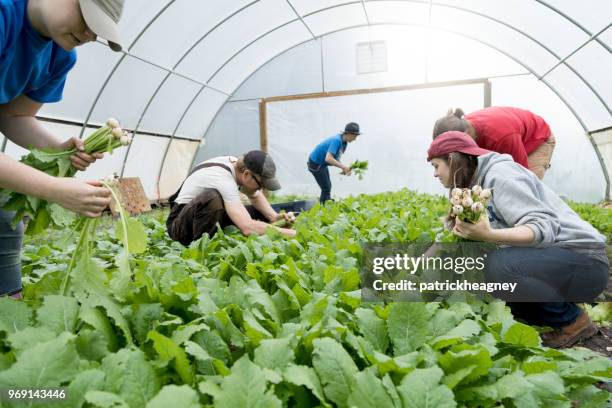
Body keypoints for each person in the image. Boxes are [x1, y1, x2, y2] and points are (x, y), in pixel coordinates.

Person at [427, 131, 608, 348]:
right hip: (556, 263)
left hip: (585, 261)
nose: (435, 174)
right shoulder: (469, 187)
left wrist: (489, 235)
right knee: (498, 292)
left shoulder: (500, 175)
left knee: (497, 266)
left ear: (453, 159)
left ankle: (573, 321)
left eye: (436, 166)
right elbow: (450, 237)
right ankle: (556, 309)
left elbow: (543, 228)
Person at [0, 0, 126, 298]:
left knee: (6, 216)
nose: (89, 36)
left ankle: (9, 316)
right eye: (88, 20)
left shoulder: (59, 56)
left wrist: (58, 149)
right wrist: (57, 189)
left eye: (98, 32)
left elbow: (12, 115)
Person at [166, 150, 298, 246]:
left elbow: (255, 197)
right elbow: (247, 227)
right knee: (213, 198)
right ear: (246, 174)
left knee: (257, 213)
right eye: (260, 185)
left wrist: (274, 217)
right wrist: (290, 234)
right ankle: (201, 247)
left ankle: (213, 238)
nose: (261, 190)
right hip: (180, 226)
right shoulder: (223, 180)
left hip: (196, 215)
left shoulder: (237, 166)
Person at [432, 107, 555, 179]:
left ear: (466, 134)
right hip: (514, 133)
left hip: (538, 138)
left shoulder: (501, 137)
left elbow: (522, 175)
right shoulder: (464, 127)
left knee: (526, 189)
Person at [307, 122, 361, 203]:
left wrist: (344, 169)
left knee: (328, 186)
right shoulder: (336, 140)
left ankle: (326, 205)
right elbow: (328, 159)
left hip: (322, 164)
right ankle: (324, 207)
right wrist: (343, 167)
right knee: (326, 188)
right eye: (355, 136)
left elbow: (335, 158)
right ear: (349, 134)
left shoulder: (344, 143)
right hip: (315, 163)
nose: (355, 139)